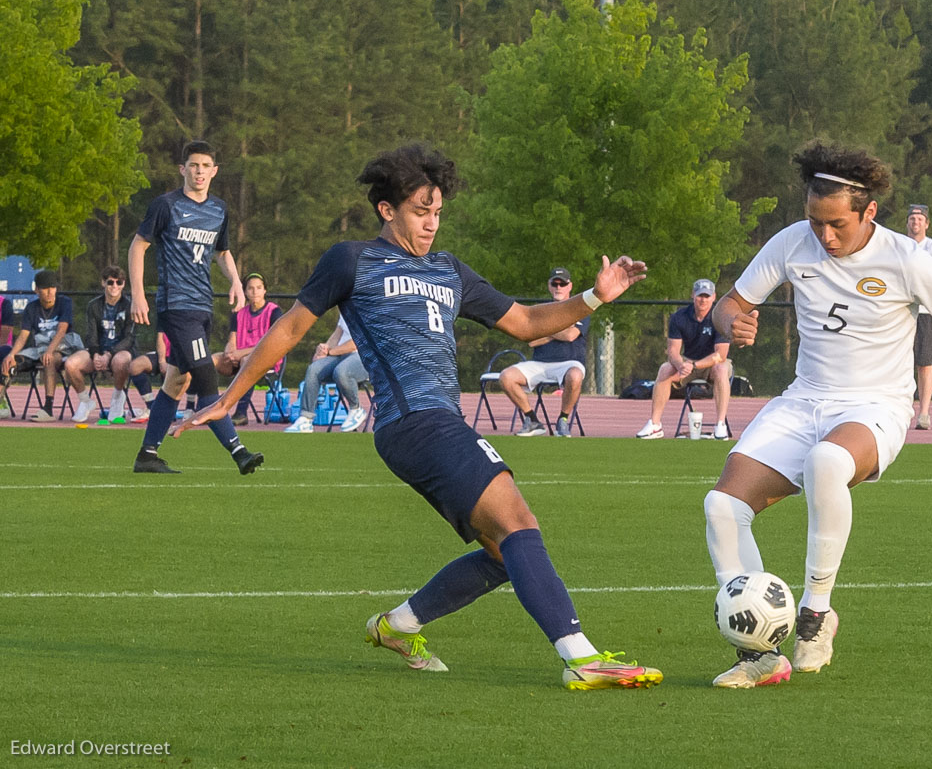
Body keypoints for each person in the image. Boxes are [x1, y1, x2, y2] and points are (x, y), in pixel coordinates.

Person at [181, 143, 661, 690]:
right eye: (419, 211)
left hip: (435, 424)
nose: (432, 223)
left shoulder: (448, 270)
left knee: (507, 553)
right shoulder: (351, 259)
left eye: (437, 212)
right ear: (387, 209)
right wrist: (230, 395)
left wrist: (594, 299)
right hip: (413, 422)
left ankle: (396, 626)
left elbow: (527, 321)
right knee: (520, 524)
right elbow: (291, 328)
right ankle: (582, 657)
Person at [702, 142, 932, 689]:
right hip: (803, 399)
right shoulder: (792, 242)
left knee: (827, 463)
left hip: (875, 406)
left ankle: (815, 614)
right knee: (721, 506)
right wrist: (730, 323)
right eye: (816, 222)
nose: (825, 237)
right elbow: (731, 305)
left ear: (869, 213)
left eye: (836, 224)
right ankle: (760, 651)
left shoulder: (906, 259)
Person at [128, 140, 262, 474]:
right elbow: (138, 246)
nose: (199, 171)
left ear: (214, 171)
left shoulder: (219, 208)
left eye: (205, 166)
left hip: (202, 307)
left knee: (175, 383)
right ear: (182, 169)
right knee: (205, 379)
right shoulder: (166, 205)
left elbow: (222, 251)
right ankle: (239, 452)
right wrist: (138, 294)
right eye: (193, 165)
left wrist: (234, 280)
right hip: (176, 306)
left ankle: (147, 455)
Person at [634, 278, 732, 440]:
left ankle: (720, 425)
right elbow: (673, 351)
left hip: (711, 365)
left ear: (714, 297)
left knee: (721, 369)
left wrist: (694, 365)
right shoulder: (680, 317)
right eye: (700, 295)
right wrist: (681, 365)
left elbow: (720, 355)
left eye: (707, 296)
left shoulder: (720, 317)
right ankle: (655, 425)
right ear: (693, 295)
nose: (703, 299)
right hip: (687, 364)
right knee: (665, 369)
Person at [500, 267, 589, 437]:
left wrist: (544, 331)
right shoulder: (540, 309)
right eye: (554, 283)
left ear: (570, 286)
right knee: (506, 377)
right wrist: (558, 330)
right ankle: (532, 420)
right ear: (549, 286)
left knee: (575, 376)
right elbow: (531, 340)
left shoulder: (580, 308)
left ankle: (563, 420)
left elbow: (571, 335)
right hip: (539, 363)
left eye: (562, 283)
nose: (558, 287)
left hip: (569, 363)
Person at [0, 270, 86, 422]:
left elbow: (61, 331)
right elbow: (24, 335)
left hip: (63, 347)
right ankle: (1, 402)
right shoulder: (31, 308)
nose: (49, 292)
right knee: (9, 362)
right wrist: (11, 355)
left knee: (49, 359)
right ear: (36, 290)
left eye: (52, 287)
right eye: (45, 288)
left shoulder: (64, 302)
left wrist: (49, 351)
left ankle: (48, 408)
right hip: (40, 348)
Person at [62, 266, 139, 424]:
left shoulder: (130, 305)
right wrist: (96, 353)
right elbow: (91, 334)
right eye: (110, 282)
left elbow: (129, 338)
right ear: (103, 283)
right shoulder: (94, 305)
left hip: (120, 351)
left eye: (119, 282)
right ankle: (85, 401)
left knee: (121, 360)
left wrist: (109, 354)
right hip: (99, 350)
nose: (115, 286)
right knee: (71, 364)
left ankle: (118, 397)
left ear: (124, 284)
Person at [213, 272, 282, 425]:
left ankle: (241, 412)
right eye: (250, 288)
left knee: (246, 359)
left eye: (258, 288)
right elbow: (232, 339)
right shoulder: (238, 314)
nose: (255, 291)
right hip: (239, 359)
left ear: (265, 290)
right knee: (211, 360)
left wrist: (240, 354)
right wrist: (229, 352)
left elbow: (270, 344)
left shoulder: (274, 311)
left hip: (266, 361)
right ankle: (207, 404)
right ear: (245, 292)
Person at [283, 313, 369, 433]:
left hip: (364, 357)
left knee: (342, 371)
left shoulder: (370, 307)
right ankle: (306, 419)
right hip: (340, 355)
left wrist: (331, 352)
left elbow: (357, 342)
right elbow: (337, 334)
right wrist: (324, 348)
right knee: (314, 369)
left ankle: (356, 409)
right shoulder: (347, 306)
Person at [906, 204, 932, 430]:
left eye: (920, 219)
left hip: (925, 313)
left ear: (927, 224)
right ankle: (899, 411)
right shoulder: (899, 246)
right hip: (902, 311)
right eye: (912, 218)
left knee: (924, 363)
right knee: (898, 362)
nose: (915, 222)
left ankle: (924, 413)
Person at [0, 293, 13, 419]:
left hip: (3, 347)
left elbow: (3, 339)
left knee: (3, 354)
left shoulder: (5, 304)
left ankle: (1, 399)